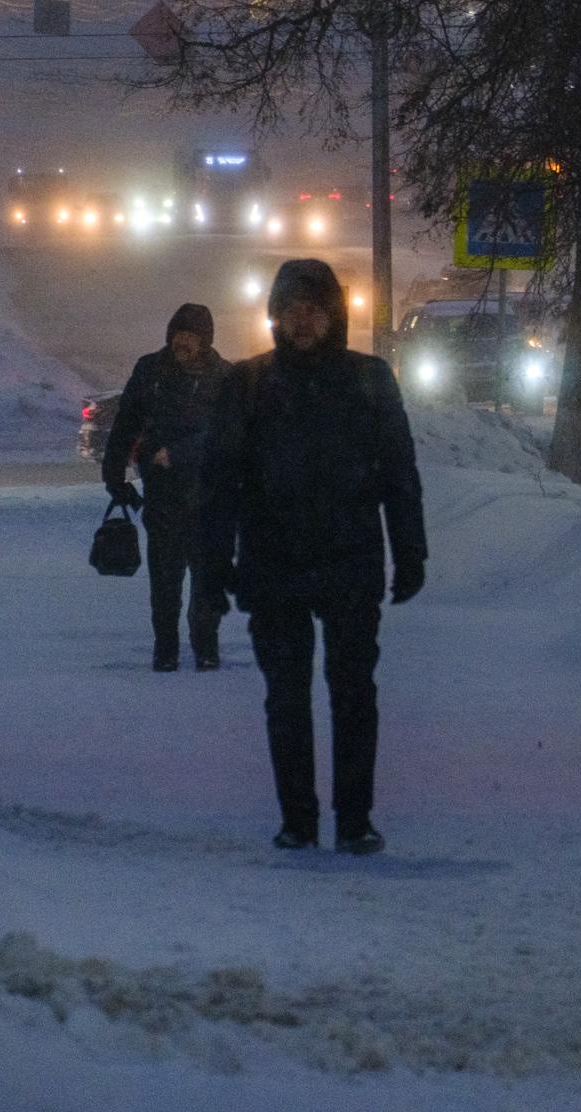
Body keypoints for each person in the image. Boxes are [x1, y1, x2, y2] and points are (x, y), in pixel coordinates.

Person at [198, 259, 426, 855]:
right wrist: (213, 569)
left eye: (314, 312)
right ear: (275, 317)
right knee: (286, 698)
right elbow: (221, 483)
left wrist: (411, 554)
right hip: (274, 564)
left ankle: (355, 820)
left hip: (350, 561)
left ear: (334, 318)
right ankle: (297, 818)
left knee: (354, 694)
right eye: (292, 312)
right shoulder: (248, 384)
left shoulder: (370, 380)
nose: (302, 323)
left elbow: (400, 474)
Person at [104, 304, 232, 672]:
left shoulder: (224, 378)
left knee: (207, 580)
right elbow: (126, 423)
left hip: (210, 498)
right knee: (164, 578)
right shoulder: (150, 371)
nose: (183, 344)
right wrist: (115, 476)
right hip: (163, 496)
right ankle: (166, 649)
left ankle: (206, 646)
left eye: (191, 338)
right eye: (179, 336)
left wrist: (177, 453)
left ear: (205, 341)